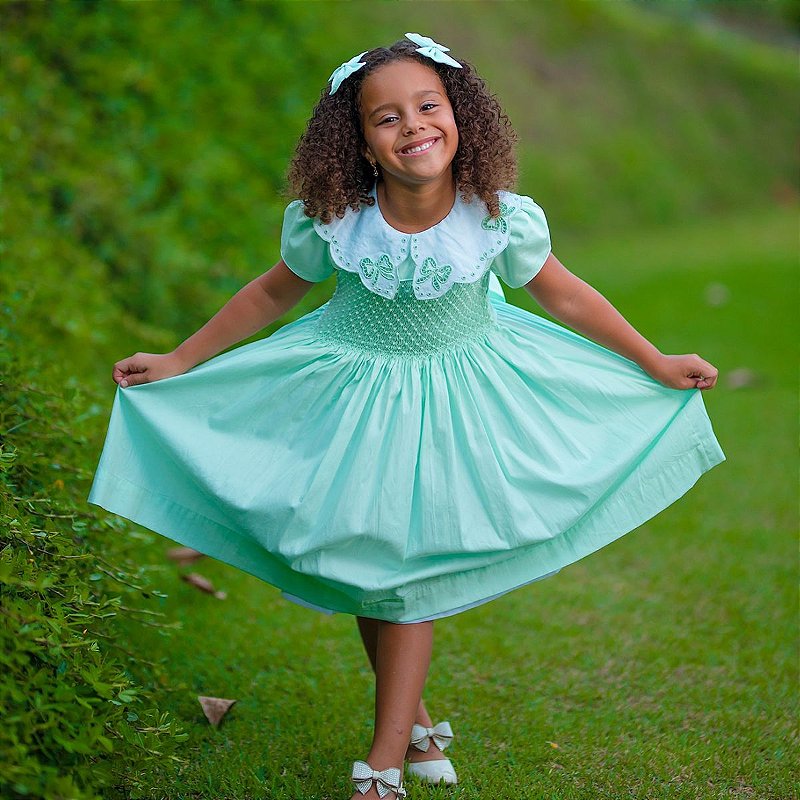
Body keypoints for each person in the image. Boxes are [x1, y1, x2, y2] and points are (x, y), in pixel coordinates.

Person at [88, 33, 725, 800]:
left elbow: (564, 294)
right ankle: (416, 725)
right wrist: (181, 361)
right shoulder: (336, 218)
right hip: (350, 398)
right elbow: (270, 293)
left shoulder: (495, 216)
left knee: (407, 575)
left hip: (457, 399)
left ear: (462, 116)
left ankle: (385, 762)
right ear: (358, 141)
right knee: (369, 563)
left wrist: (652, 361)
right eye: (385, 117)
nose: (413, 126)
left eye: (428, 106)